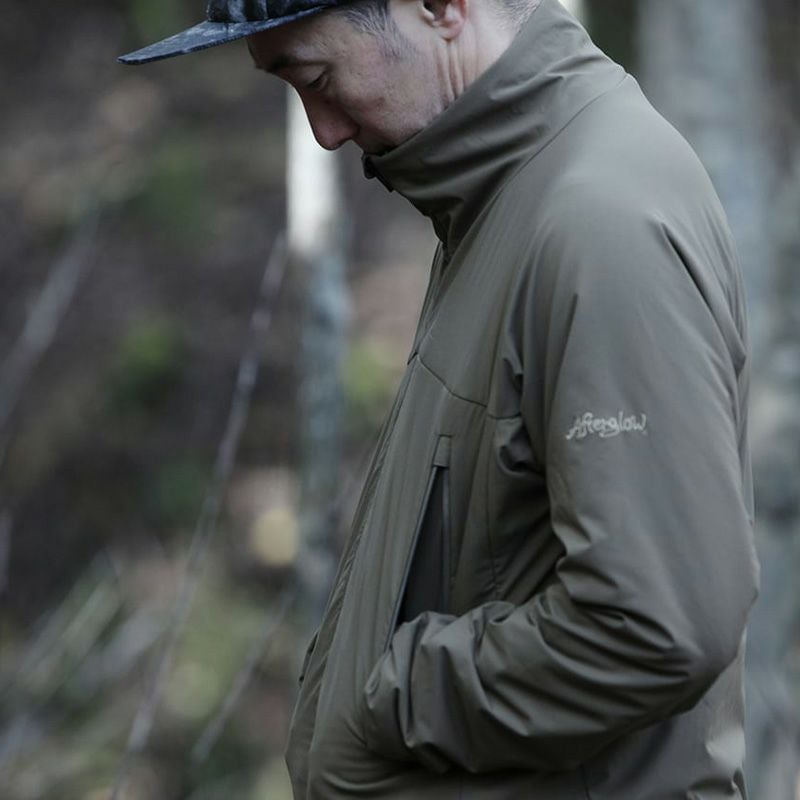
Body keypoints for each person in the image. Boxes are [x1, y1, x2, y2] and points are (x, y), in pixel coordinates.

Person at [120, 0, 760, 797]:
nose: (324, 131)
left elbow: (657, 626)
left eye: (317, 77)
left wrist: (395, 697)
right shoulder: (504, 195)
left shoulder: (599, 224)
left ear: (439, 7)